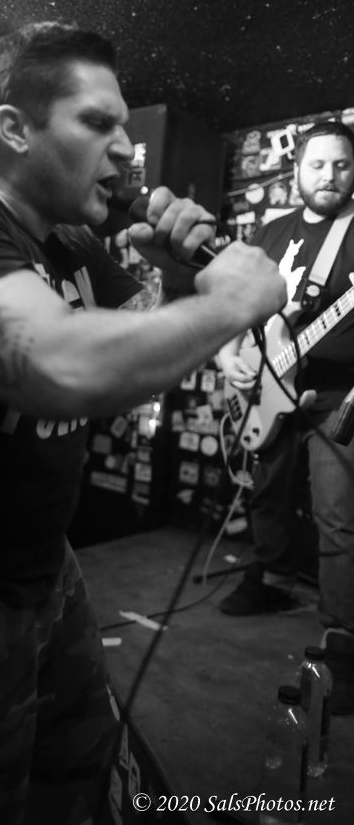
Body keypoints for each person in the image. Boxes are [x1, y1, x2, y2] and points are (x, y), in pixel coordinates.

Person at [0, 21, 286, 825]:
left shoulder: (67, 242)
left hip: (43, 566)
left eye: (124, 126)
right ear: (14, 128)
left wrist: (183, 278)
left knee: (83, 775)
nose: (126, 149)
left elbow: (134, 339)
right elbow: (63, 368)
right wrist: (229, 304)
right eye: (98, 123)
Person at [217, 120, 354, 715]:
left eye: (342, 165)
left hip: (338, 395)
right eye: (318, 165)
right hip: (269, 384)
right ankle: (272, 579)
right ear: (297, 170)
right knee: (266, 490)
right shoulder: (272, 232)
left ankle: (342, 642)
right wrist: (228, 357)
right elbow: (235, 308)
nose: (330, 176)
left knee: (337, 516)